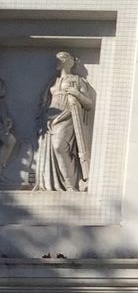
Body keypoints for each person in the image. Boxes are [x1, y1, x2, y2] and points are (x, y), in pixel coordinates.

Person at [34, 51, 95, 192]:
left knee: (59, 146)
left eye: (60, 59)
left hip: (68, 115)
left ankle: (71, 185)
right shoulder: (53, 81)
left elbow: (89, 104)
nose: (57, 61)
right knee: (52, 150)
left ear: (68, 62)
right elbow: (44, 102)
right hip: (50, 118)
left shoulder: (77, 80)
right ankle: (55, 184)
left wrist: (76, 93)